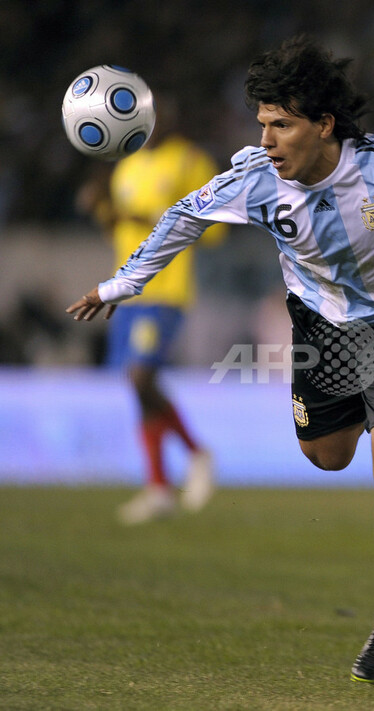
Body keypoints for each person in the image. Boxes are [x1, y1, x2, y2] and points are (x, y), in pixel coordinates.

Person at [67, 36, 374, 683]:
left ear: (324, 125)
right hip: (321, 328)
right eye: (263, 125)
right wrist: (122, 284)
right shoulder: (255, 179)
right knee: (326, 456)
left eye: (282, 124)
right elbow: (184, 217)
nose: (268, 139)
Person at [76, 100, 227, 525]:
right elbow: (119, 229)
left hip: (166, 289)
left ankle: (197, 454)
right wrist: (102, 209)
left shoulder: (191, 162)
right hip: (125, 290)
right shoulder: (127, 166)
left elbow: (211, 229)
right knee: (138, 384)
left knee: (142, 376)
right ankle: (158, 487)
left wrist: (135, 214)